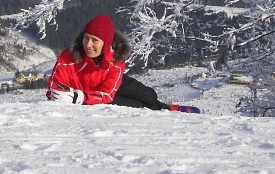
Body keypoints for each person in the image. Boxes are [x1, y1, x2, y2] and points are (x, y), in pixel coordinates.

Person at [46, 14, 190, 111]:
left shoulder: (115, 60)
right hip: (96, 97)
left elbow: (108, 92)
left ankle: (167, 107)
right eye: (86, 38)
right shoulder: (68, 57)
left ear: (106, 43)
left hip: (113, 84)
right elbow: (54, 87)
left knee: (150, 96)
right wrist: (67, 96)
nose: (88, 44)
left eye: (95, 40)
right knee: (137, 106)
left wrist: (80, 97)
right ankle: (169, 110)